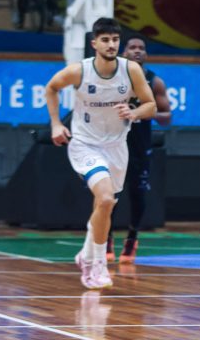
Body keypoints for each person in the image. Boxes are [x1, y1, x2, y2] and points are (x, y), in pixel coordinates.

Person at [45, 18, 156, 290]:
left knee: (105, 205)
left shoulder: (131, 70)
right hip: (85, 145)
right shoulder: (80, 71)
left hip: (117, 147)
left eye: (115, 40)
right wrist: (56, 124)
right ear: (94, 43)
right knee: (105, 198)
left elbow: (151, 105)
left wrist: (134, 112)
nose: (111, 45)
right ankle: (97, 265)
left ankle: (85, 254)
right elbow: (51, 88)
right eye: (105, 40)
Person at [106, 35, 172, 264]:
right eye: (132, 47)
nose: (137, 51)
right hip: (113, 143)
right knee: (109, 194)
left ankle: (132, 238)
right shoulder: (113, 79)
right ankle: (106, 238)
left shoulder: (154, 82)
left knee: (137, 194)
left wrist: (142, 112)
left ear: (146, 54)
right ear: (124, 52)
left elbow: (167, 117)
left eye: (141, 48)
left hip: (139, 146)